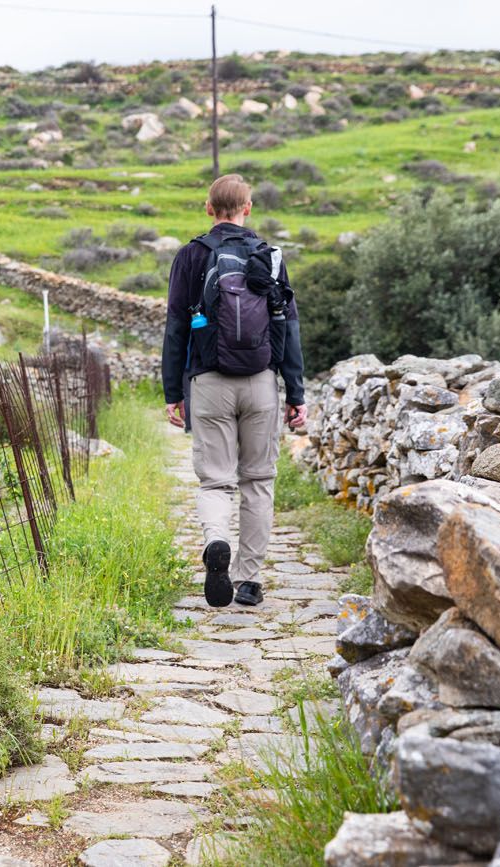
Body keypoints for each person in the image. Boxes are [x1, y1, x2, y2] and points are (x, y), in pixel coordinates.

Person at [161, 174, 307, 608]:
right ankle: (248, 580)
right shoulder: (270, 256)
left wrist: (174, 391)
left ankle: (216, 542)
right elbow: (290, 328)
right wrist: (294, 394)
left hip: (208, 381)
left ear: (209, 209)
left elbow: (176, 327)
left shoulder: (192, 255)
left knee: (215, 481)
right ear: (248, 208)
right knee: (258, 481)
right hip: (261, 381)